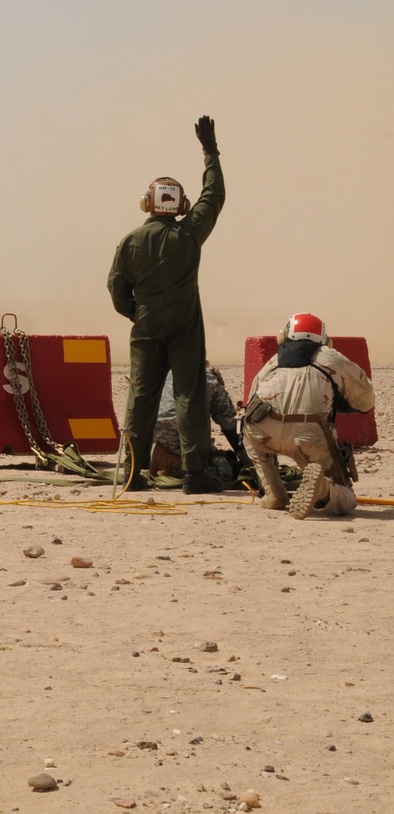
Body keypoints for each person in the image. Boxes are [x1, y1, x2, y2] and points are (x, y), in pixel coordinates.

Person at [107, 116, 226, 493]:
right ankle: (195, 473)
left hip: (145, 328)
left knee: (141, 395)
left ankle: (131, 471)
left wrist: (137, 314)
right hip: (185, 327)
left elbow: (116, 289)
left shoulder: (130, 242)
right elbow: (215, 196)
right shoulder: (190, 234)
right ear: (181, 205)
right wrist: (210, 150)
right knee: (188, 392)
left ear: (147, 203)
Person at [243, 312, 374, 519]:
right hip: (308, 436)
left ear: (284, 336)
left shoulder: (272, 362)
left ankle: (274, 491)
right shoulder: (333, 357)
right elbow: (366, 401)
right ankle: (323, 489)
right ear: (324, 339)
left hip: (262, 432)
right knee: (347, 497)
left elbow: (250, 404)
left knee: (251, 436)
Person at [151, 365, 244, 478]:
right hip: (182, 433)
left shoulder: (166, 373)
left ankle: (167, 459)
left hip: (154, 433)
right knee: (225, 471)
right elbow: (229, 423)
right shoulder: (209, 378)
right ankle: (174, 470)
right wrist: (248, 461)